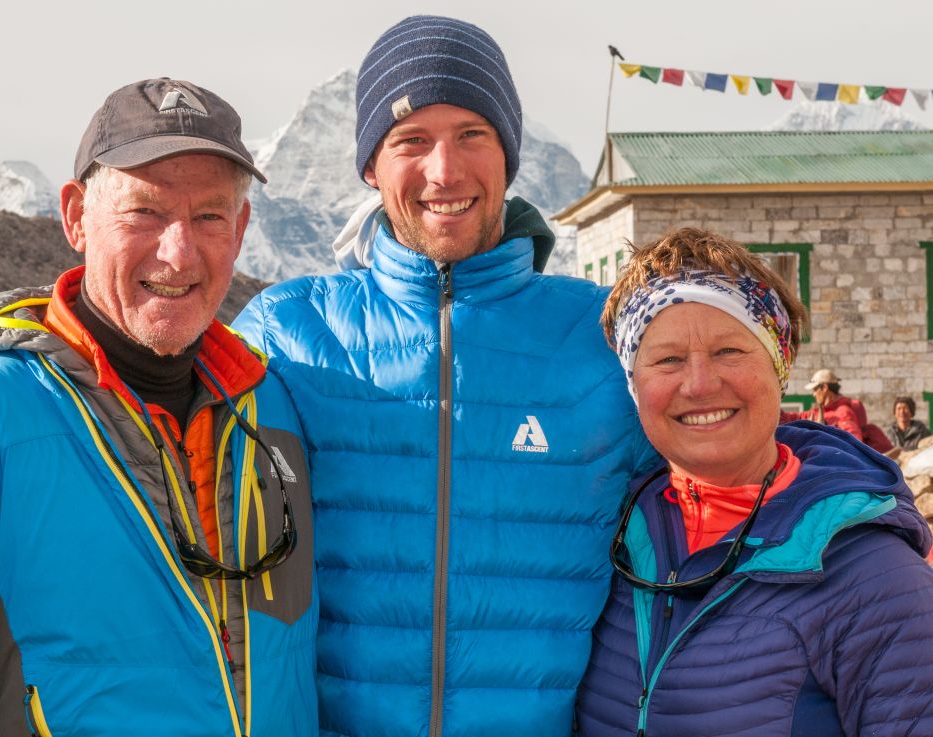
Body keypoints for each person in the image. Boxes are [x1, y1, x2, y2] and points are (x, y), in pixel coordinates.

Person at [0, 79, 317, 737]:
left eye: (209, 216)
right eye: (144, 211)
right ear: (77, 215)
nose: (179, 251)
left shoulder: (272, 414)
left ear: (242, 228)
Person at [232, 15, 656, 736]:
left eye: (471, 134)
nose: (444, 171)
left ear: (509, 154)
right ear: (370, 166)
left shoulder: (604, 340)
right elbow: (146, 449)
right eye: (410, 141)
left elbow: (730, 481)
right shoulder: (290, 333)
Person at [577, 228, 933, 735]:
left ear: (779, 366)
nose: (699, 384)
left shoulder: (874, 576)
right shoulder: (610, 539)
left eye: (729, 351)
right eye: (668, 359)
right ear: (636, 387)